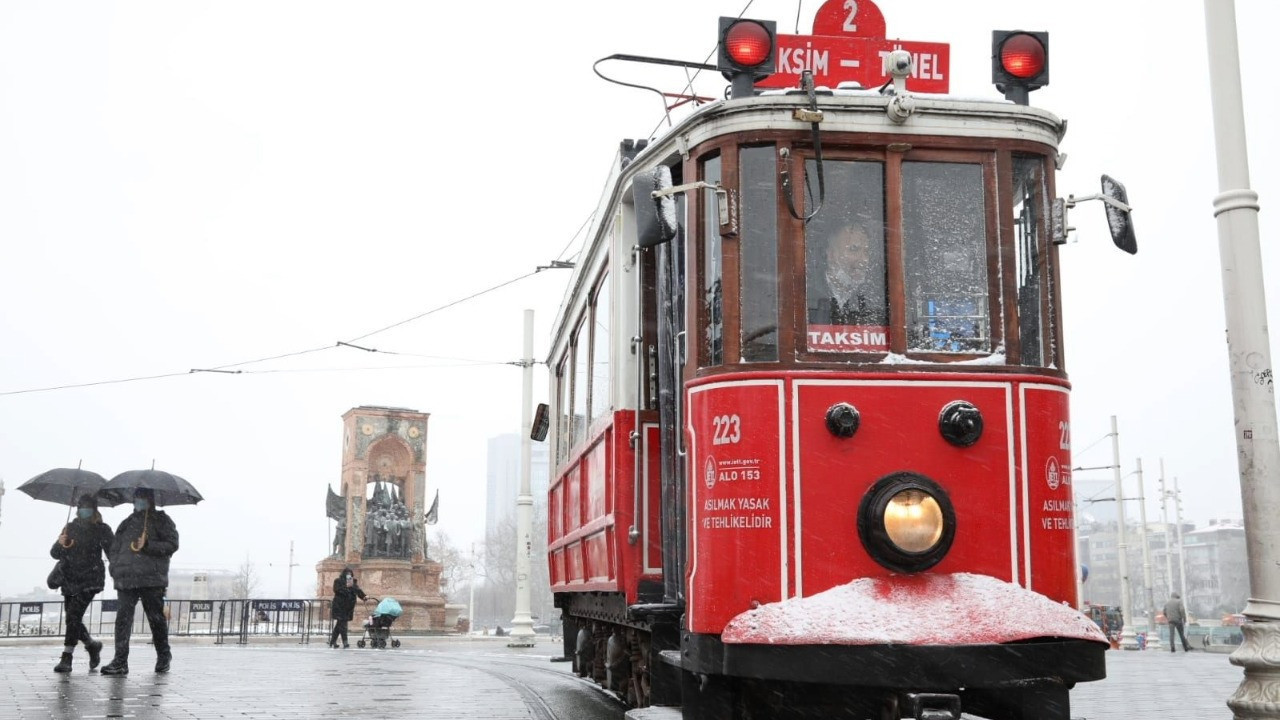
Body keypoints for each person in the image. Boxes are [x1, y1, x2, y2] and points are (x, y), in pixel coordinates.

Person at [101, 488, 179, 675]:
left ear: (150, 500)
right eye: (137, 499)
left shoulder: (162, 520)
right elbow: (115, 549)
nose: (139, 502)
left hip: (151, 579)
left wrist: (149, 545)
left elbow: (172, 544)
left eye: (143, 498)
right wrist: (115, 568)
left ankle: (163, 654)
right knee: (123, 620)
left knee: (156, 619)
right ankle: (120, 661)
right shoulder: (126, 523)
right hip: (126, 580)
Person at [49, 493, 114, 673]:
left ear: (93, 509)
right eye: (81, 507)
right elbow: (55, 553)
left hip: (91, 580)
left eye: (87, 507)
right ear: (77, 509)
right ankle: (91, 645)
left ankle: (67, 656)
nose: (83, 510)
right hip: (69, 579)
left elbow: (112, 553)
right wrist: (60, 543)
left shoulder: (102, 529)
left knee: (73, 615)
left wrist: (118, 572)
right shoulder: (69, 527)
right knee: (72, 617)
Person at [808, 223, 888, 327]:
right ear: (831, 254)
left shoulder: (874, 299)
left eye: (866, 252)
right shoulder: (807, 296)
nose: (864, 259)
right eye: (854, 249)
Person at [329, 567, 367, 648]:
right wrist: (347, 588)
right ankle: (345, 642)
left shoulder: (352, 582)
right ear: (344, 574)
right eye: (347, 573)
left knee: (339, 625)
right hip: (339, 606)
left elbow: (358, 591)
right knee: (343, 625)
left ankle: (332, 642)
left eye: (350, 573)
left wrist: (364, 596)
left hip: (348, 607)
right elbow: (337, 590)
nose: (349, 575)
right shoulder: (338, 581)